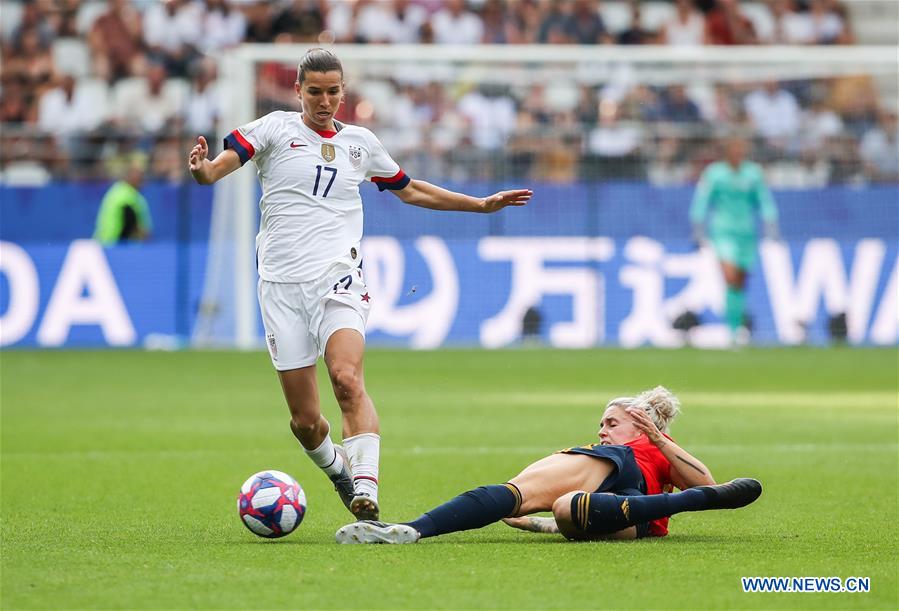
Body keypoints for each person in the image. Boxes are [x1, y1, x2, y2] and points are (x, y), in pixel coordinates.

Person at [187, 48, 532, 521]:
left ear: (343, 92)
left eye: (333, 91)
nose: (324, 101)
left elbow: (410, 188)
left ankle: (366, 489)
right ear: (298, 91)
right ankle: (339, 474)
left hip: (339, 277)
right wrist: (205, 171)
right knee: (306, 422)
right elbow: (223, 165)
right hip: (281, 288)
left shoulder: (361, 144)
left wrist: (479, 204)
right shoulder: (273, 129)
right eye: (314, 92)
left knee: (347, 379)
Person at [334, 386, 762, 544]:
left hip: (632, 487)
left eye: (612, 421)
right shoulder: (616, 449)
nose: (602, 429)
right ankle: (408, 531)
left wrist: (654, 437)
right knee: (565, 509)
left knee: (516, 495)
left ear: (640, 421)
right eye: (601, 423)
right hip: (632, 517)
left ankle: (416, 527)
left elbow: (711, 482)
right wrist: (545, 527)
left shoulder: (642, 447)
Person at [689, 137, 779, 345]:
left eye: (742, 149)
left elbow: (764, 200)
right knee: (730, 276)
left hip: (747, 233)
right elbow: (701, 201)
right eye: (735, 148)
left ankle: (737, 326)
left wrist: (771, 225)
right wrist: (697, 229)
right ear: (727, 151)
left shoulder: (753, 173)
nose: (739, 153)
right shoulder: (714, 173)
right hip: (723, 232)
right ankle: (733, 331)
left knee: (739, 282)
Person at [93, 161, 153, 245]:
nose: (141, 182)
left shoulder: (115, 190)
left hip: (102, 243)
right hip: (115, 245)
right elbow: (140, 229)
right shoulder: (130, 198)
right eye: (139, 179)